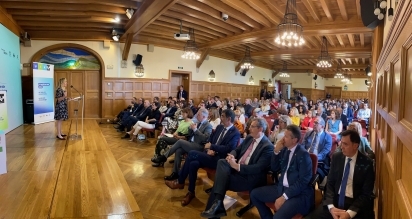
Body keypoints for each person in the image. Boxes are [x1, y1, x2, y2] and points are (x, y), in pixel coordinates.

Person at [164, 109, 241, 206]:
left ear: (229, 119)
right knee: (193, 164)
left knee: (192, 154)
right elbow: (209, 140)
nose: (220, 118)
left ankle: (180, 181)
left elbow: (229, 148)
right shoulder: (220, 127)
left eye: (222, 116)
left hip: (220, 160)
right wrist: (208, 150)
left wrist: (213, 147)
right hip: (209, 155)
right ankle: (191, 192)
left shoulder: (235, 132)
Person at [200, 118, 274, 218]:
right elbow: (237, 149)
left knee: (220, 181)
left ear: (260, 129)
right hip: (237, 170)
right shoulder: (249, 138)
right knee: (222, 162)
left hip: (250, 178)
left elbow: (258, 168)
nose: (249, 128)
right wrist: (231, 155)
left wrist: (237, 166)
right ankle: (216, 207)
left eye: (252, 127)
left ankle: (215, 210)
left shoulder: (267, 146)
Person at [250, 124, 313, 219]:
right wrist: (275, 152)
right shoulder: (284, 150)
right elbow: (274, 168)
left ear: (294, 140)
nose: (283, 139)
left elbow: (303, 182)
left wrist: (284, 196)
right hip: (281, 188)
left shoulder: (303, 155)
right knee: (254, 194)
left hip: (298, 194)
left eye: (286, 136)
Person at [315, 130, 375, 219]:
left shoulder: (367, 163)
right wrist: (331, 207)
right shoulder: (336, 157)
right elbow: (330, 183)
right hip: (335, 200)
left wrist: (349, 214)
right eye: (341, 143)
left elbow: (366, 193)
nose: (341, 147)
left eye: (345, 144)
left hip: (355, 203)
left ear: (355, 145)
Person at [153, 108, 213, 180]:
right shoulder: (199, 123)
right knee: (178, 150)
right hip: (191, 143)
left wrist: (195, 130)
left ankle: (164, 157)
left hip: (199, 146)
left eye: (199, 115)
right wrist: (191, 129)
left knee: (180, 141)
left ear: (204, 116)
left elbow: (205, 138)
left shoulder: (208, 125)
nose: (197, 116)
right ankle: (175, 173)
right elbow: (191, 134)